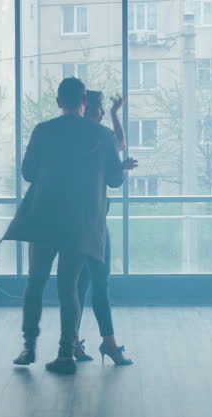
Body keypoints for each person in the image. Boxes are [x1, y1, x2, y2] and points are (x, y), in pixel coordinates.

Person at [3, 77, 124, 374]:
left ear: (58, 101)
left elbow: (28, 173)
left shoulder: (43, 131)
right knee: (68, 288)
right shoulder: (102, 135)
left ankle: (29, 347)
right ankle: (65, 354)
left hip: (45, 219)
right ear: (84, 101)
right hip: (80, 224)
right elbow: (115, 180)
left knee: (35, 283)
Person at [73, 90, 135, 366]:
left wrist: (113, 114)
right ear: (91, 110)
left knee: (80, 283)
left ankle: (73, 341)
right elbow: (115, 170)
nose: (99, 113)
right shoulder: (101, 137)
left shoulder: (72, 138)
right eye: (100, 108)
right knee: (99, 283)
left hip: (72, 221)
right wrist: (121, 168)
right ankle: (109, 344)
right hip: (94, 223)